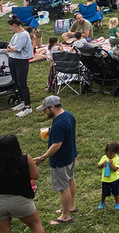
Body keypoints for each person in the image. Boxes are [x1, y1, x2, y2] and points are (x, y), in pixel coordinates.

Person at [34, 96, 78, 226]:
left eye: (45, 109)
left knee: (63, 188)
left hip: (60, 161)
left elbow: (56, 145)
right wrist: (50, 131)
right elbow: (67, 132)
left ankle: (65, 216)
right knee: (70, 180)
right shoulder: (68, 115)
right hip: (71, 156)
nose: (44, 112)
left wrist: (42, 157)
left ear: (52, 107)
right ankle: (71, 206)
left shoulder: (58, 123)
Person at [0, 134, 44, 233]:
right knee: (36, 224)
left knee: (3, 230)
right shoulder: (25, 159)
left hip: (1, 202)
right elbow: (36, 175)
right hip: (21, 200)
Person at [7, 15, 34, 116]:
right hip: (13, 60)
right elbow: (9, 47)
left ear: (14, 25)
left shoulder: (24, 34)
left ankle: (28, 106)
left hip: (21, 61)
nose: (10, 29)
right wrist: (10, 47)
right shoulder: (15, 35)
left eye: (10, 26)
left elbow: (17, 48)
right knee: (16, 83)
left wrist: (11, 47)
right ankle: (22, 102)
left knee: (22, 84)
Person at [97, 141, 119, 210]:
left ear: (116, 152)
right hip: (105, 180)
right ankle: (102, 202)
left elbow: (115, 169)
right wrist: (102, 165)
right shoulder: (104, 157)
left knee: (116, 192)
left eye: (112, 154)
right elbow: (99, 166)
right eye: (108, 153)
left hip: (114, 179)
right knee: (104, 193)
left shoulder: (117, 159)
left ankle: (117, 203)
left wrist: (111, 165)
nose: (110, 155)